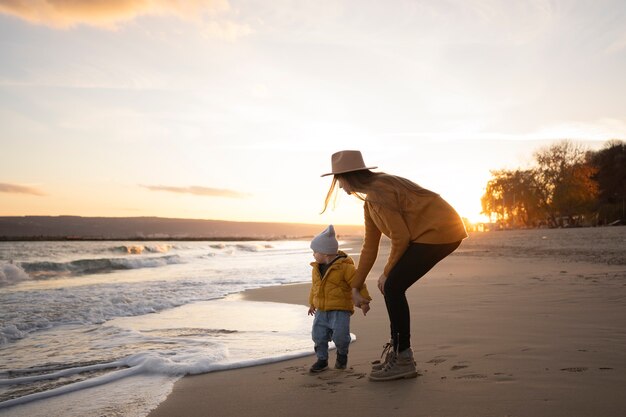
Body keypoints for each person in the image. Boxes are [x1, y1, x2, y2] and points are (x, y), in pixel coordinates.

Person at [320, 150, 468, 381]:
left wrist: (387, 273)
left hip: (440, 232)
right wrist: (355, 287)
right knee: (392, 286)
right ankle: (399, 353)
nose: (338, 186)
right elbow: (370, 247)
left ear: (349, 176)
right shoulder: (371, 201)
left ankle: (403, 358)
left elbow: (400, 238)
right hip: (432, 233)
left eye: (338, 179)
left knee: (392, 287)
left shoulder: (380, 192)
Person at [308, 224, 372, 373]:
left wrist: (363, 301)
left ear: (325, 253)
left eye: (315, 251)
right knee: (318, 336)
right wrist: (312, 303)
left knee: (341, 337)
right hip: (321, 311)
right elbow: (315, 288)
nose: (313, 255)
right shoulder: (316, 269)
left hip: (340, 310)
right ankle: (322, 360)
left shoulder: (345, 267)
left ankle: (342, 356)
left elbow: (358, 284)